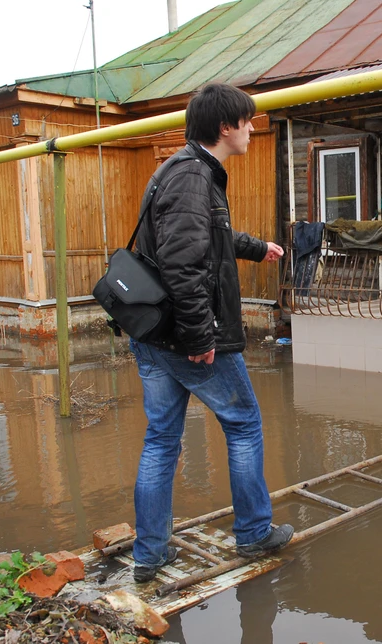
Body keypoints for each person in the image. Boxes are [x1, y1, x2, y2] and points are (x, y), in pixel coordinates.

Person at [129, 82, 293, 583]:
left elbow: (206, 239)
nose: (251, 128)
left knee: (162, 438)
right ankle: (254, 533)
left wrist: (255, 246)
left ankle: (151, 553)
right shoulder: (193, 178)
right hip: (187, 338)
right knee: (243, 423)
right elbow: (183, 265)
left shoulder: (186, 170)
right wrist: (202, 338)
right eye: (246, 121)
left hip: (155, 335)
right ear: (225, 127)